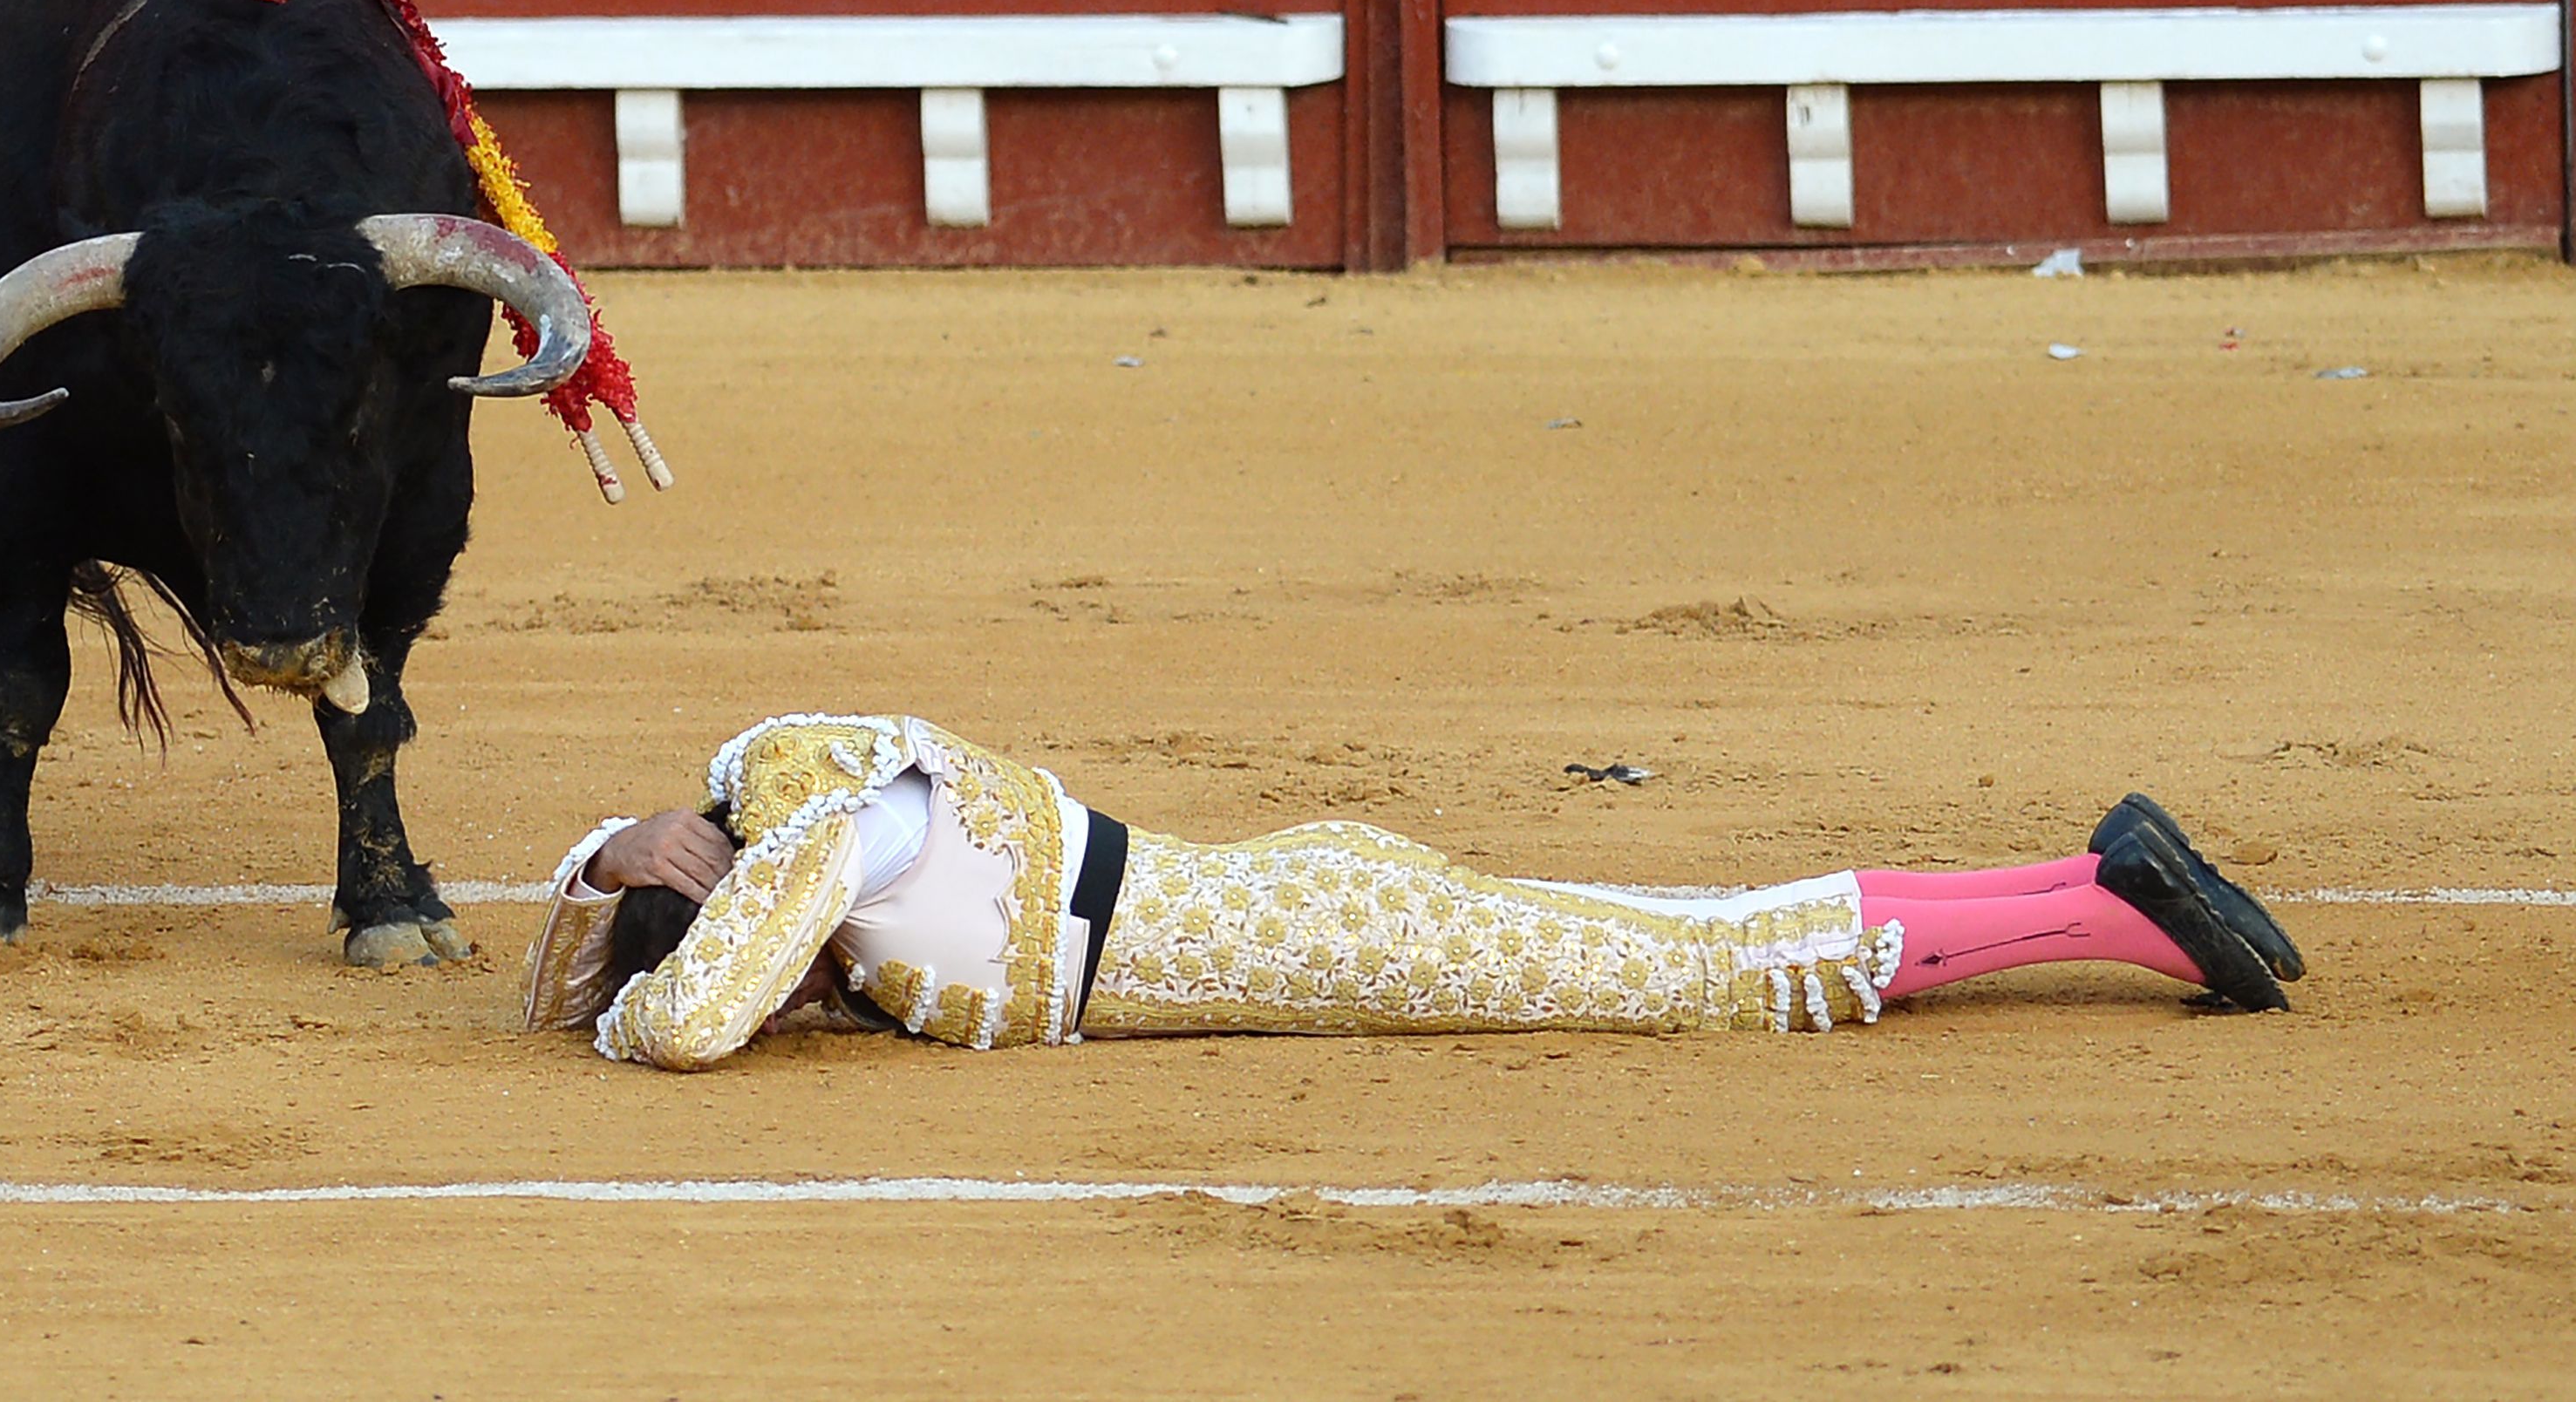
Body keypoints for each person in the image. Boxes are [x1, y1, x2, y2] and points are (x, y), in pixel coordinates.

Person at [521, 714, 2301, 1071]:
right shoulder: (830, 782)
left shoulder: (824, 829)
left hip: (1288, 935)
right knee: (1701, 943)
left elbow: (679, 1022)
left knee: (1723, 966)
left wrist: (643, 927)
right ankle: (2088, 875)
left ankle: (2106, 897)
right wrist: (605, 845)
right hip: (1271, 904)